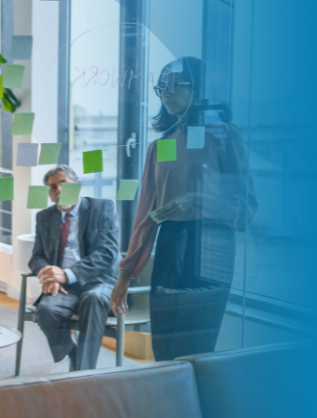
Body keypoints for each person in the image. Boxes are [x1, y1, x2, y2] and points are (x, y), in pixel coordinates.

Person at [110, 57, 257, 361]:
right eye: (161, 86)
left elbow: (247, 207)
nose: (167, 92)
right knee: (165, 343)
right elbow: (146, 216)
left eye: (176, 85)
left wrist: (196, 198)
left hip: (212, 245)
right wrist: (125, 275)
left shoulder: (225, 135)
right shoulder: (159, 146)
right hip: (171, 243)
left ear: (199, 89)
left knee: (198, 348)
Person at [28, 165, 121, 371]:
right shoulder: (44, 217)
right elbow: (36, 257)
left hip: (99, 281)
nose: (58, 190)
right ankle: (75, 354)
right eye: (52, 187)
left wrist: (67, 274)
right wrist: (49, 274)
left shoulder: (102, 208)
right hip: (63, 287)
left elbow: (107, 253)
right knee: (45, 311)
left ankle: (82, 374)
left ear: (78, 186)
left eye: (63, 184)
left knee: (93, 298)